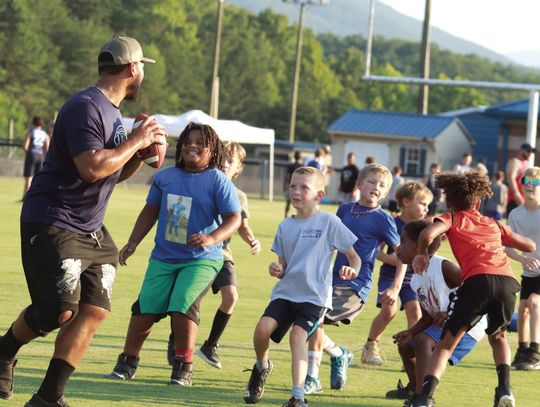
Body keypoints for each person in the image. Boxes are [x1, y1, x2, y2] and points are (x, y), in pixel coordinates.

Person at [0, 36, 165, 406]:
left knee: (95, 309)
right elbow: (91, 168)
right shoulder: (85, 107)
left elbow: (111, 173)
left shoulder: (113, 113)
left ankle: (48, 397)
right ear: (133, 69)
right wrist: (136, 140)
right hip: (53, 219)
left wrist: (140, 154)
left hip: (90, 226)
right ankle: (3, 350)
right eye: (142, 69)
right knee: (58, 310)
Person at [106, 123, 241, 387]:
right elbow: (150, 211)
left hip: (201, 259)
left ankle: (183, 367)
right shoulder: (165, 177)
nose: (193, 145)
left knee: (181, 305)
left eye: (201, 142)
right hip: (163, 257)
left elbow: (234, 218)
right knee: (145, 308)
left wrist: (212, 238)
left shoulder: (218, 180)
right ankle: (127, 362)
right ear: (179, 147)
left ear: (212, 149)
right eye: (188, 141)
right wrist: (133, 241)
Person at [411, 171, 536, 407]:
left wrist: (420, 255)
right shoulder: (492, 223)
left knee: (446, 344)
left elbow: (428, 233)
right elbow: (529, 245)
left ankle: (424, 399)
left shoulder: (452, 218)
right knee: (498, 337)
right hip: (506, 282)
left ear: (448, 201)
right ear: (478, 201)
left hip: (477, 282)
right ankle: (504, 391)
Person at [243, 166, 360, 407]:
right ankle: (262, 367)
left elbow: (353, 255)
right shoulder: (285, 226)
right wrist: (276, 269)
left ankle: (298, 396)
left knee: (298, 336)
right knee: (262, 330)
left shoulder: (329, 221)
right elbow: (283, 265)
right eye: (292, 186)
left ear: (319, 194)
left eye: (303, 187)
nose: (296, 191)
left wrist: (353, 269)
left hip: (314, 298)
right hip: (286, 293)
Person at [304, 163, 402, 394]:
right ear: (359, 184)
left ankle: (312, 378)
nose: (376, 187)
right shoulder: (345, 210)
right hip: (329, 281)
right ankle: (339, 354)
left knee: (314, 319)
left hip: (356, 287)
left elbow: (402, 255)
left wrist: (395, 287)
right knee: (308, 320)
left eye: (382, 185)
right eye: (371, 182)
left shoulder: (383, 219)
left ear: (386, 192)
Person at [165, 141, 261, 369]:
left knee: (231, 297)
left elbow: (242, 226)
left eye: (231, 161)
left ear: (238, 169)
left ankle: (210, 346)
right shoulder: (202, 186)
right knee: (189, 301)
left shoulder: (239, 196)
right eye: (222, 159)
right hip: (198, 255)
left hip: (223, 255)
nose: (225, 165)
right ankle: (177, 340)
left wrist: (252, 240)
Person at [391, 220, 487, 406]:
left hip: (468, 326)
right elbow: (428, 316)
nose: (397, 247)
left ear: (420, 246)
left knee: (423, 341)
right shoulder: (415, 280)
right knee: (407, 345)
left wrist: (451, 311)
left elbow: (474, 289)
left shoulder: (443, 267)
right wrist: (412, 331)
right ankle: (414, 389)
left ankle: (424, 398)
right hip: (444, 327)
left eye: (403, 242)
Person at [361, 182, 432, 367]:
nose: (426, 208)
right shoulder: (391, 223)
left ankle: (413, 353)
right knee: (389, 311)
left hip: (413, 278)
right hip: (389, 276)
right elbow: (377, 252)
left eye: (427, 205)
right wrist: (395, 259)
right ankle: (371, 346)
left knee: (415, 311)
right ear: (406, 202)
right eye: (423, 204)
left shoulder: (423, 228)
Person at [505, 166, 540, 371]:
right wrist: (523, 259)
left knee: (535, 303)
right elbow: (508, 248)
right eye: (526, 182)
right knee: (523, 308)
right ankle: (522, 350)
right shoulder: (515, 214)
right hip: (529, 270)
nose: (530, 186)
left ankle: (535, 352)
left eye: (535, 182)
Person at [22, 116, 50, 198]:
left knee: (29, 177)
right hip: (40, 156)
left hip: (32, 155)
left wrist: (29, 153)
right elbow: (47, 149)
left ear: (33, 122)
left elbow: (25, 146)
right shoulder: (44, 134)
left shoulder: (31, 132)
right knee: (38, 178)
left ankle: (26, 197)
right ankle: (37, 196)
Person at [506, 143, 536, 217]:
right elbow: (511, 178)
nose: (530, 154)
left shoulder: (526, 164)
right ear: (521, 150)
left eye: (531, 152)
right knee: (513, 227)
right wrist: (517, 194)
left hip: (525, 202)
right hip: (515, 202)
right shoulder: (515, 162)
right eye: (528, 151)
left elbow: (528, 181)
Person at [284, 151, 304, 218]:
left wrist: (284, 185)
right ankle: (300, 216)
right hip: (300, 188)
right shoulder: (302, 166)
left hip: (291, 187)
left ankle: (285, 216)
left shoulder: (291, 166)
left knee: (288, 202)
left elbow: (287, 177)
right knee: (300, 202)